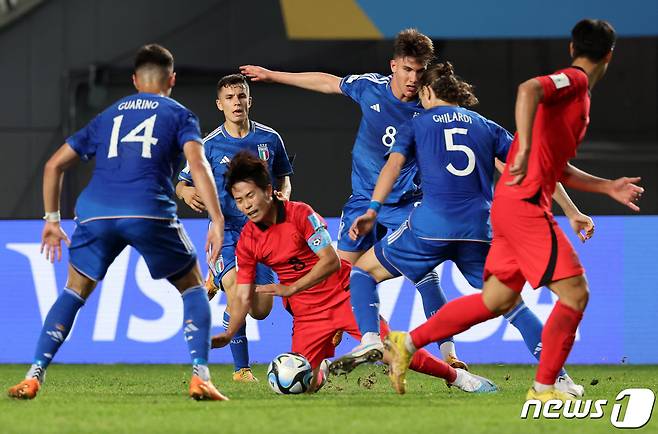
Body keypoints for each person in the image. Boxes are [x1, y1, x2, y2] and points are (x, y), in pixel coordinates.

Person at [385, 19, 644, 402]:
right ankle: (545, 387)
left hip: (508, 205)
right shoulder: (573, 82)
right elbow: (528, 89)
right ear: (608, 55)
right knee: (575, 294)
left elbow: (554, 165)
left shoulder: (575, 96)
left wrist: (604, 187)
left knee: (497, 301)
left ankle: (407, 344)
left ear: (573, 47)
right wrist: (521, 152)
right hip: (523, 207)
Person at [329, 61, 590, 397]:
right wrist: (573, 211)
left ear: (426, 91)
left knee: (363, 271)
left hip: (430, 227)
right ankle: (560, 379)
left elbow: (393, 166)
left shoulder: (417, 123)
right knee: (512, 304)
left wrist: (373, 209)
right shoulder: (486, 126)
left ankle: (370, 341)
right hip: (479, 231)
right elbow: (539, 167)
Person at [8, 44, 228, 401]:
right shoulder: (179, 114)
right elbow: (198, 164)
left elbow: (53, 165)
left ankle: (34, 374)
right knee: (192, 287)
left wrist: (51, 220)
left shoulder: (108, 114)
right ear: (171, 79)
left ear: (134, 80)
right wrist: (216, 219)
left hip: (95, 212)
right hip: (147, 210)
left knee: (73, 292)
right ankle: (200, 375)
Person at [240, 29, 464, 367]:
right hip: (362, 203)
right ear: (393, 66)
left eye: (419, 71)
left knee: (425, 273)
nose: (413, 79)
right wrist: (272, 75)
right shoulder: (370, 87)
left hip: (405, 204)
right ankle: (345, 343)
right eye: (406, 70)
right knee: (334, 276)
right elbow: (327, 82)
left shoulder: (430, 107)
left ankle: (451, 356)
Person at [211, 151, 498, 394]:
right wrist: (229, 332)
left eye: (250, 196)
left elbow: (330, 262)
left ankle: (459, 378)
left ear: (267, 190)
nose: (246, 205)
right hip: (307, 314)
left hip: (343, 295)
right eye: (238, 200)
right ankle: (321, 366)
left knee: (391, 351)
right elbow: (244, 293)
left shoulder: (300, 214)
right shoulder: (248, 238)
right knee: (304, 384)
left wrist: (291, 287)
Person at [176, 74, 293, 382]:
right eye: (230, 98)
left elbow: (283, 178)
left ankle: (215, 280)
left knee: (261, 309)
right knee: (239, 291)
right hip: (227, 232)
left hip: (264, 233)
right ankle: (242, 370)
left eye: (241, 96)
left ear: (249, 101)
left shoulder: (270, 139)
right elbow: (182, 182)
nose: (236, 102)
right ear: (220, 104)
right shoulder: (209, 144)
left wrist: (283, 198)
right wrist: (186, 192)